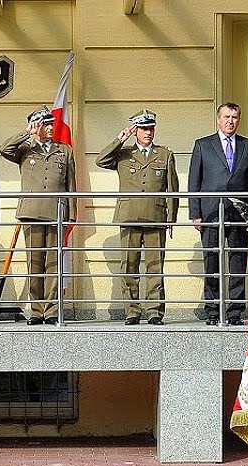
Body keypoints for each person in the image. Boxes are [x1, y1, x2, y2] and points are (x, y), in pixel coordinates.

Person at [96, 108, 179, 325]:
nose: (148, 132)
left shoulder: (165, 155)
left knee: (155, 267)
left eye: (150, 128)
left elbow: (172, 189)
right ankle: (132, 311)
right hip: (129, 216)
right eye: (143, 129)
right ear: (135, 131)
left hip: (155, 216)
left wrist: (171, 219)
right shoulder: (124, 154)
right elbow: (101, 160)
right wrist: (120, 139)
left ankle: (154, 311)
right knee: (129, 265)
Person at [0, 106, 77, 325]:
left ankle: (51, 310)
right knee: (34, 264)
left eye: (51, 123)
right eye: (45, 124)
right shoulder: (25, 148)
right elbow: (4, 149)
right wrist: (27, 132)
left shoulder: (65, 150)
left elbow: (71, 185)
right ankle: (36, 310)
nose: (51, 127)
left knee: (53, 264)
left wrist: (71, 214)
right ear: (36, 126)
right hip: (32, 213)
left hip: (56, 213)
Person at [188, 102, 248, 325]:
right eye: (227, 117)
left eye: (235, 117)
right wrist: (195, 213)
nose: (231, 121)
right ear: (218, 119)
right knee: (211, 261)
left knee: (238, 262)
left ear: (238, 120)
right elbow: (194, 181)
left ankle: (235, 311)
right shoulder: (203, 145)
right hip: (211, 213)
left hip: (240, 214)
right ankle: (212, 310)